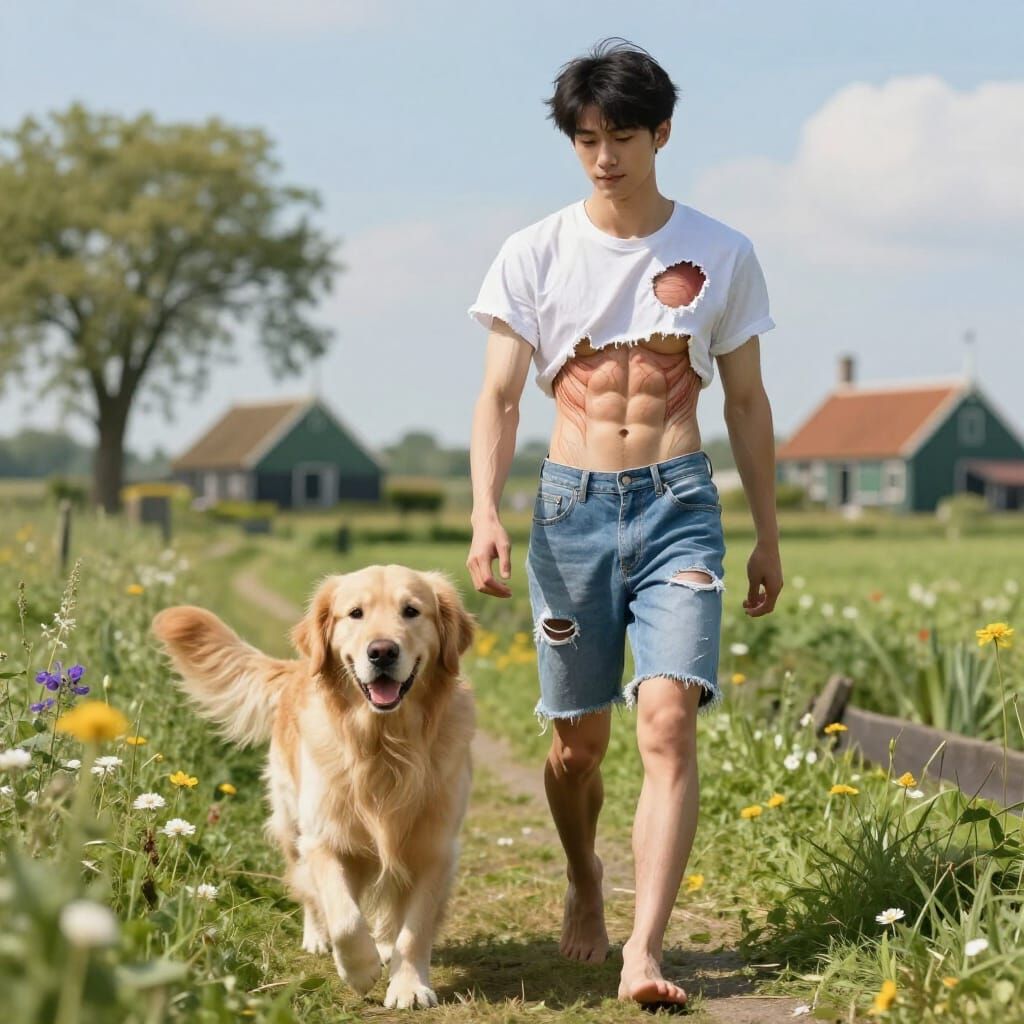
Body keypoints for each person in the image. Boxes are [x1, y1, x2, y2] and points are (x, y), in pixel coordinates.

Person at [465, 38, 783, 1009]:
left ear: (663, 133)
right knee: (576, 746)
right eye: (587, 138)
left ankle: (646, 948)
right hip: (569, 512)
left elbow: (747, 405)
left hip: (680, 503)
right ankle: (582, 875)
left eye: (624, 137)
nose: (605, 157)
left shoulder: (721, 251)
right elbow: (500, 397)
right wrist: (483, 509)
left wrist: (768, 531)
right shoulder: (533, 252)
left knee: (668, 720)